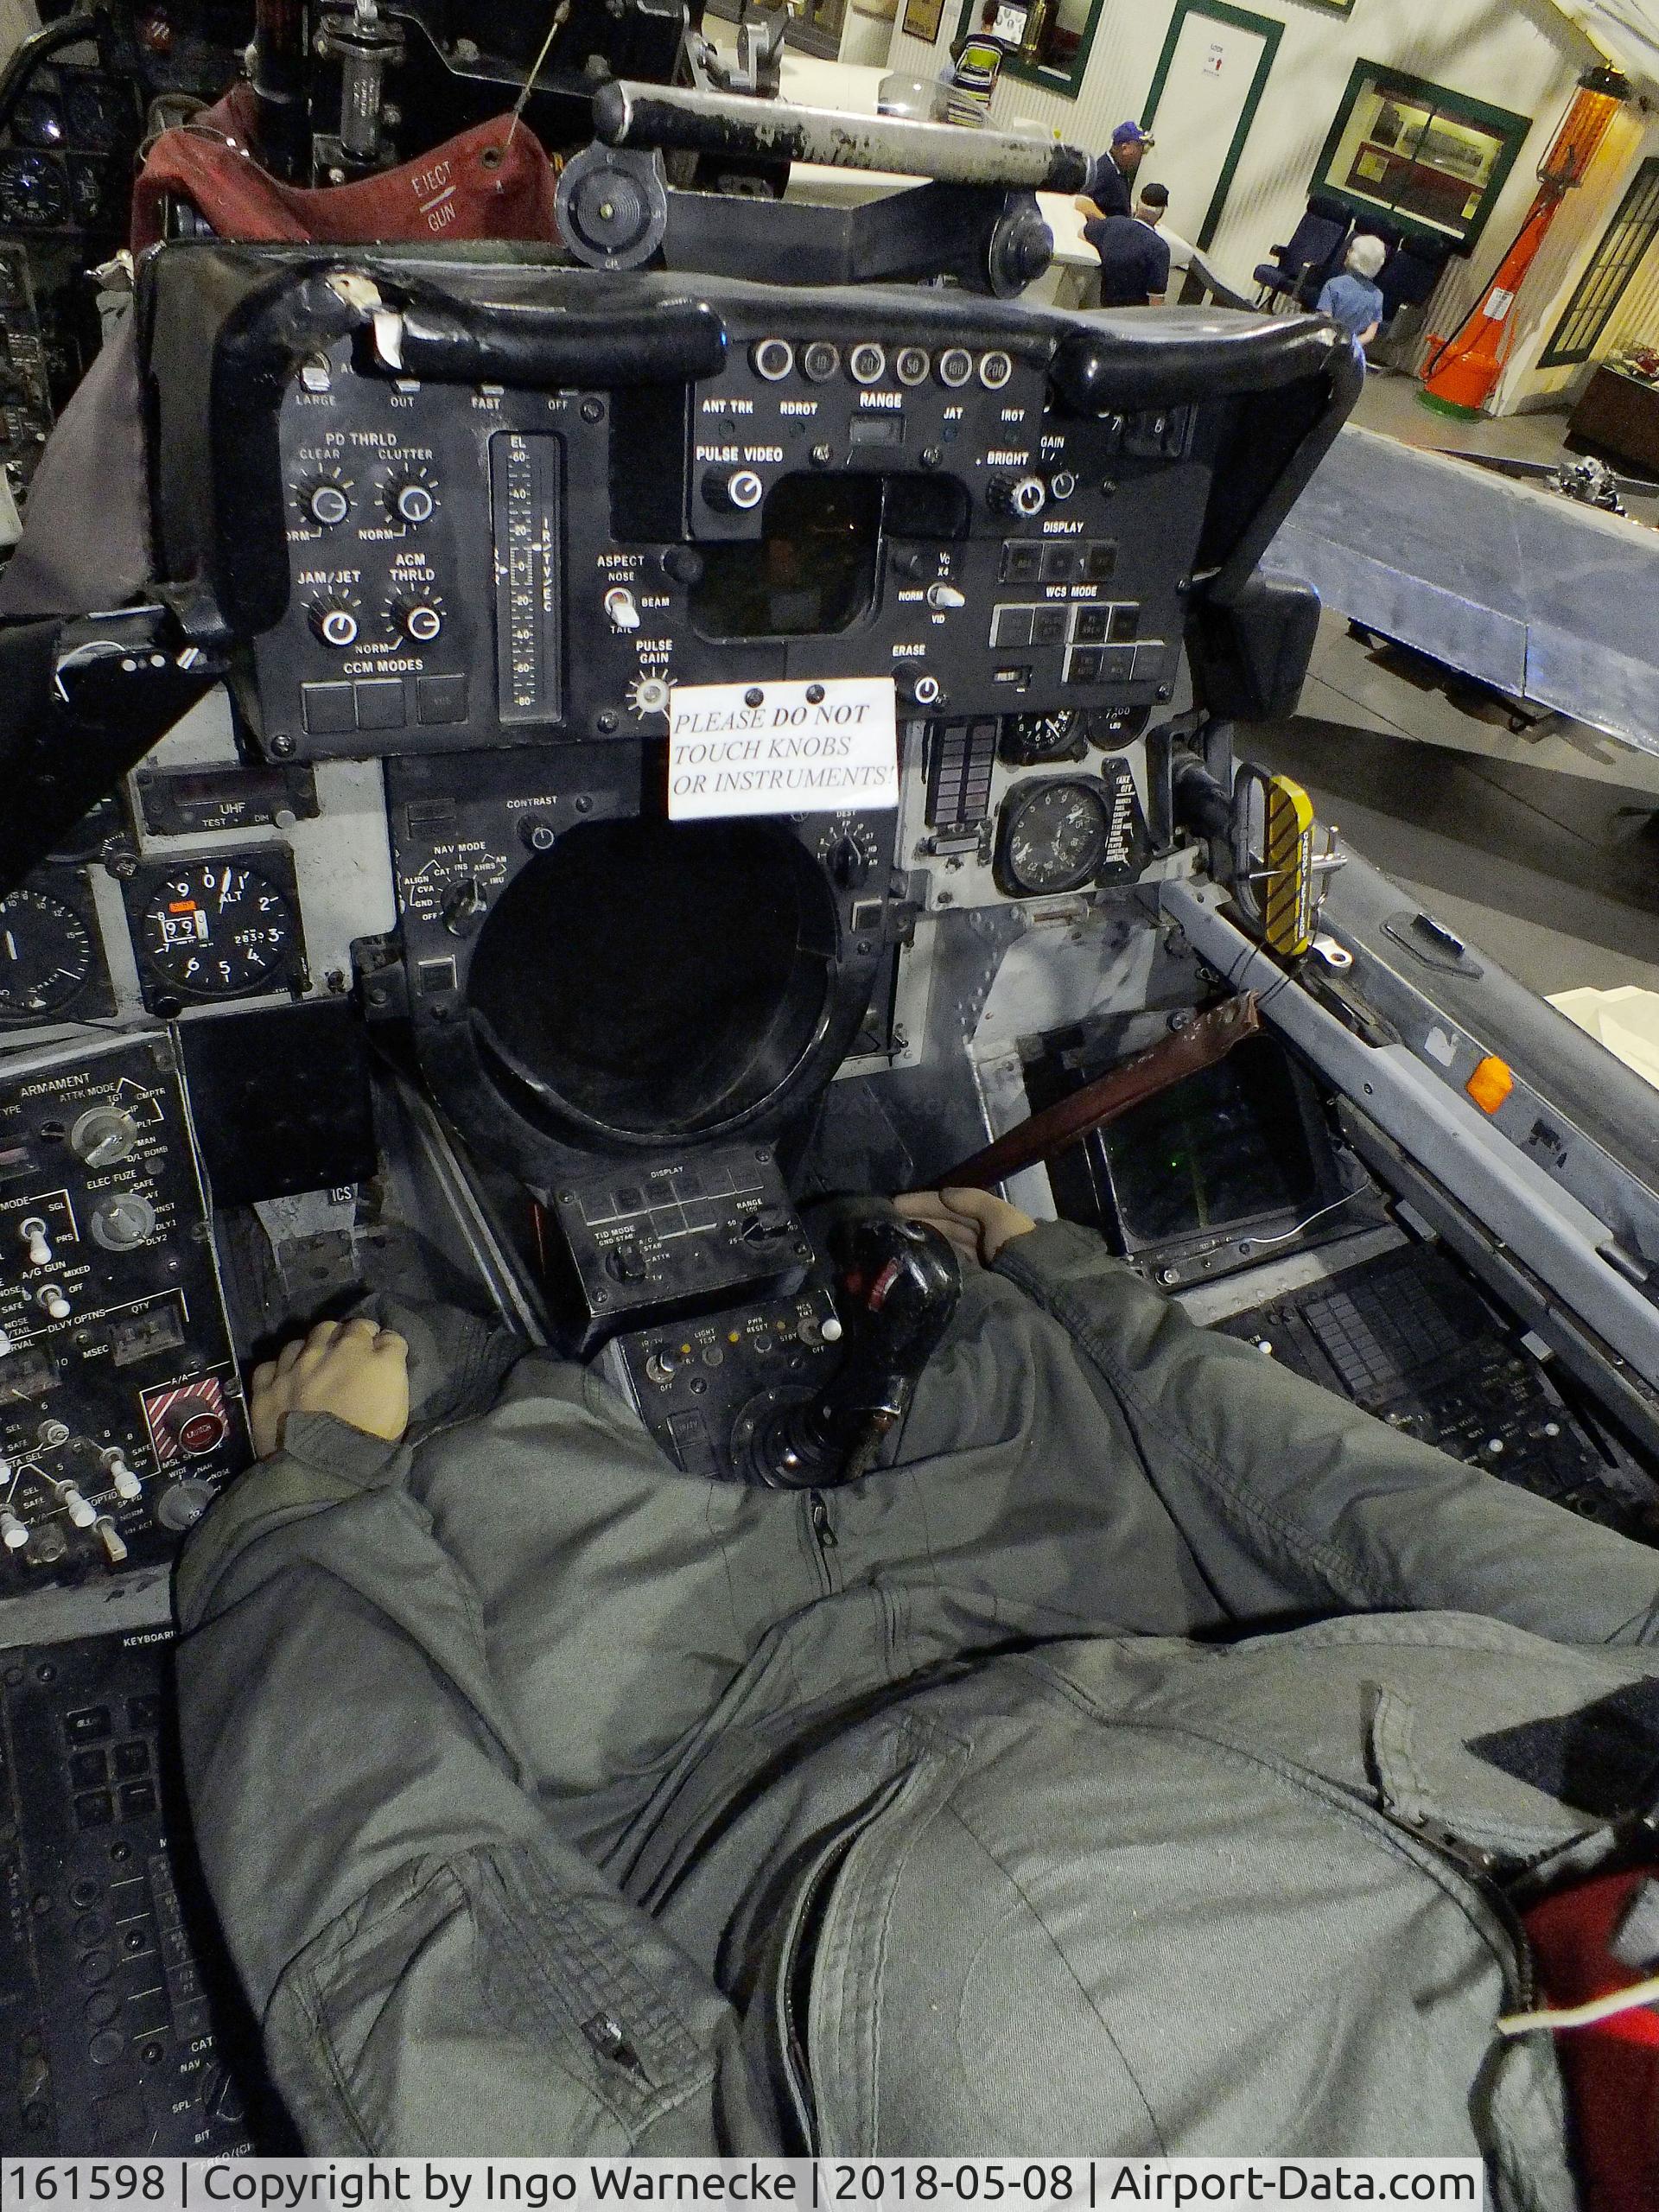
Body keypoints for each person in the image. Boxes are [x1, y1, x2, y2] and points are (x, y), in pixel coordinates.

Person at [175, 1185, 1659, 2174]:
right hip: (1097, 1627)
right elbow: (1371, 1507)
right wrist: (1065, 1281)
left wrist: (311, 1501)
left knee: (447, 1394)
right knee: (966, 1312)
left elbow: (441, 2015)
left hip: (699, 1788)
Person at [1084, 179, 1171, 308]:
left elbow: (1083, 233)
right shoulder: (1159, 249)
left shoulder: (1114, 224)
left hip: (1100, 304)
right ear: (1162, 212)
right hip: (1130, 317)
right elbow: (1156, 301)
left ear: (1137, 204)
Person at [944, 0, 1012, 124]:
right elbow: (994, 81)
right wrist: (988, 99)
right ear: (996, 19)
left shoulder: (971, 40)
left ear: (982, 16)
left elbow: (958, 66)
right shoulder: (999, 47)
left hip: (961, 95)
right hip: (980, 100)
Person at [1318, 232, 1389, 348]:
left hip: (1326, 346)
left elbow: (1325, 321)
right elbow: (1370, 335)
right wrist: (1349, 345)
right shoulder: (1378, 295)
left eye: (1350, 250)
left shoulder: (1333, 285)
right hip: (1350, 352)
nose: (1347, 252)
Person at [1077, 118, 1153, 224]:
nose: (1142, 153)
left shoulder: (1118, 171)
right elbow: (1082, 201)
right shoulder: (1105, 172)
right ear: (1125, 148)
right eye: (1139, 147)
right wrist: (1110, 226)